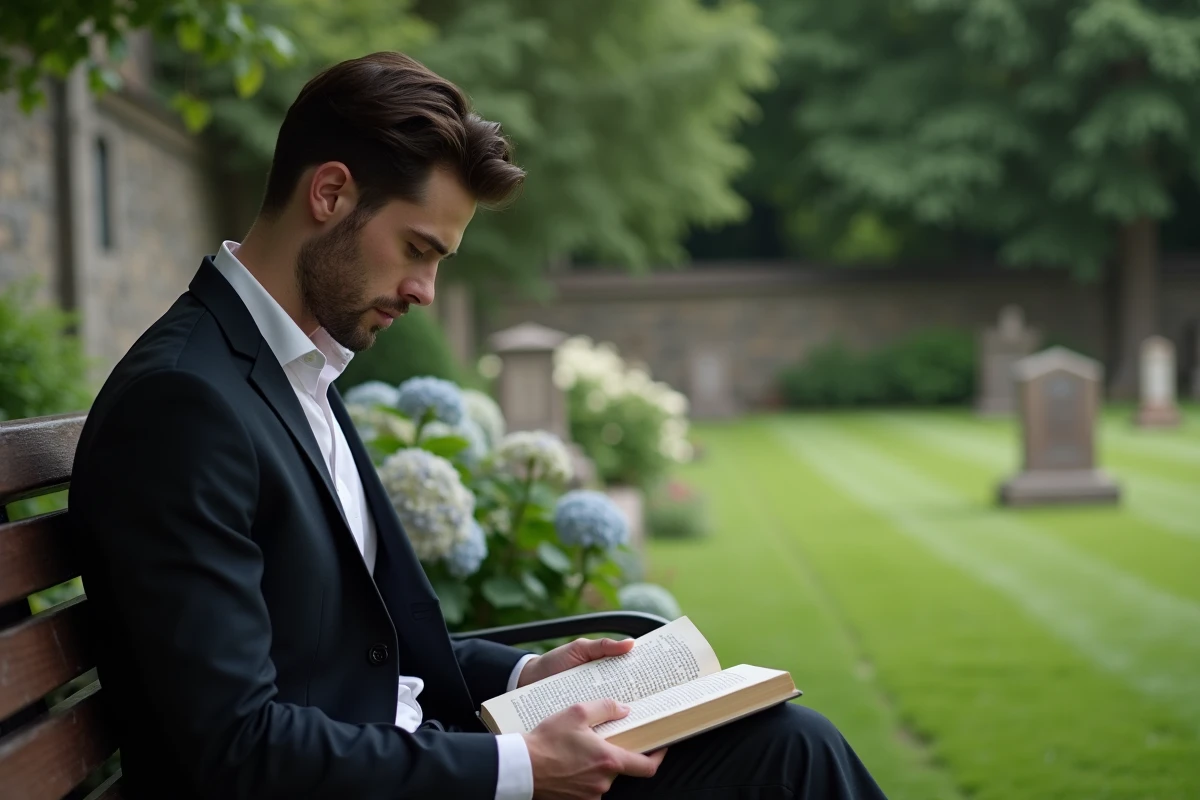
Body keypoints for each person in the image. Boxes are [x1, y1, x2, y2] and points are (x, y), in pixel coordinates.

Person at [70, 51, 889, 800]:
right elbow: (233, 750)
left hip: (413, 759)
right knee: (792, 761)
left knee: (788, 743)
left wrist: (532, 676)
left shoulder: (290, 370)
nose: (424, 290)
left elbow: (356, 654)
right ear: (330, 193)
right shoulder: (183, 404)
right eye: (417, 248)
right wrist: (523, 768)